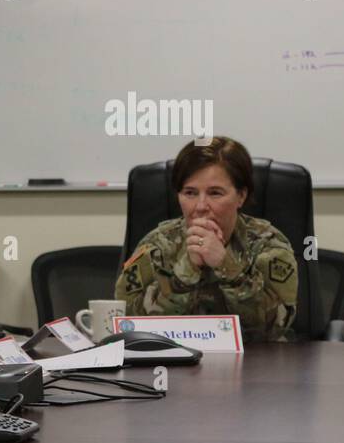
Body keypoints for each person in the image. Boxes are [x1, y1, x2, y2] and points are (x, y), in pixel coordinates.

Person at [115, 136, 298, 342]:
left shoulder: (268, 245)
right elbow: (126, 322)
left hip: (253, 367)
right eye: (190, 193)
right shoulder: (158, 245)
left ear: (241, 196)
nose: (201, 206)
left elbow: (275, 329)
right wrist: (185, 273)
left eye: (215, 193)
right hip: (172, 365)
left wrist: (226, 266)